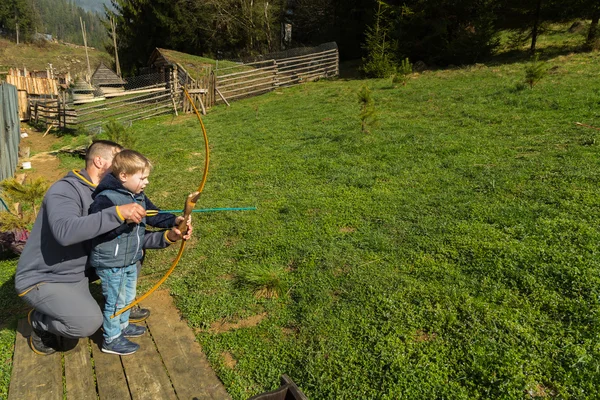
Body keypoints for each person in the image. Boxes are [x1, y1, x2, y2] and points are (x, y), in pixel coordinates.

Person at [15, 140, 191, 355]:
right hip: (45, 277)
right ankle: (40, 321)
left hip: (81, 270)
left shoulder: (117, 191)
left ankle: (120, 312)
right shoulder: (64, 190)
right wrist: (116, 214)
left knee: (131, 255)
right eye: (118, 161)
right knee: (86, 324)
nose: (122, 167)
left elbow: (128, 239)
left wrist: (169, 235)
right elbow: (65, 232)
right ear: (99, 161)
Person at [88, 149, 176, 355]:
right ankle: (111, 338)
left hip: (129, 259)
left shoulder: (138, 195)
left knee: (128, 297)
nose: (146, 182)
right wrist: (122, 220)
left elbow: (154, 215)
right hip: (111, 262)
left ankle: (123, 325)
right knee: (115, 301)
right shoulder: (106, 198)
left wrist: (175, 220)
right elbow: (97, 229)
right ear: (123, 176)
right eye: (142, 178)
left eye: (147, 178)